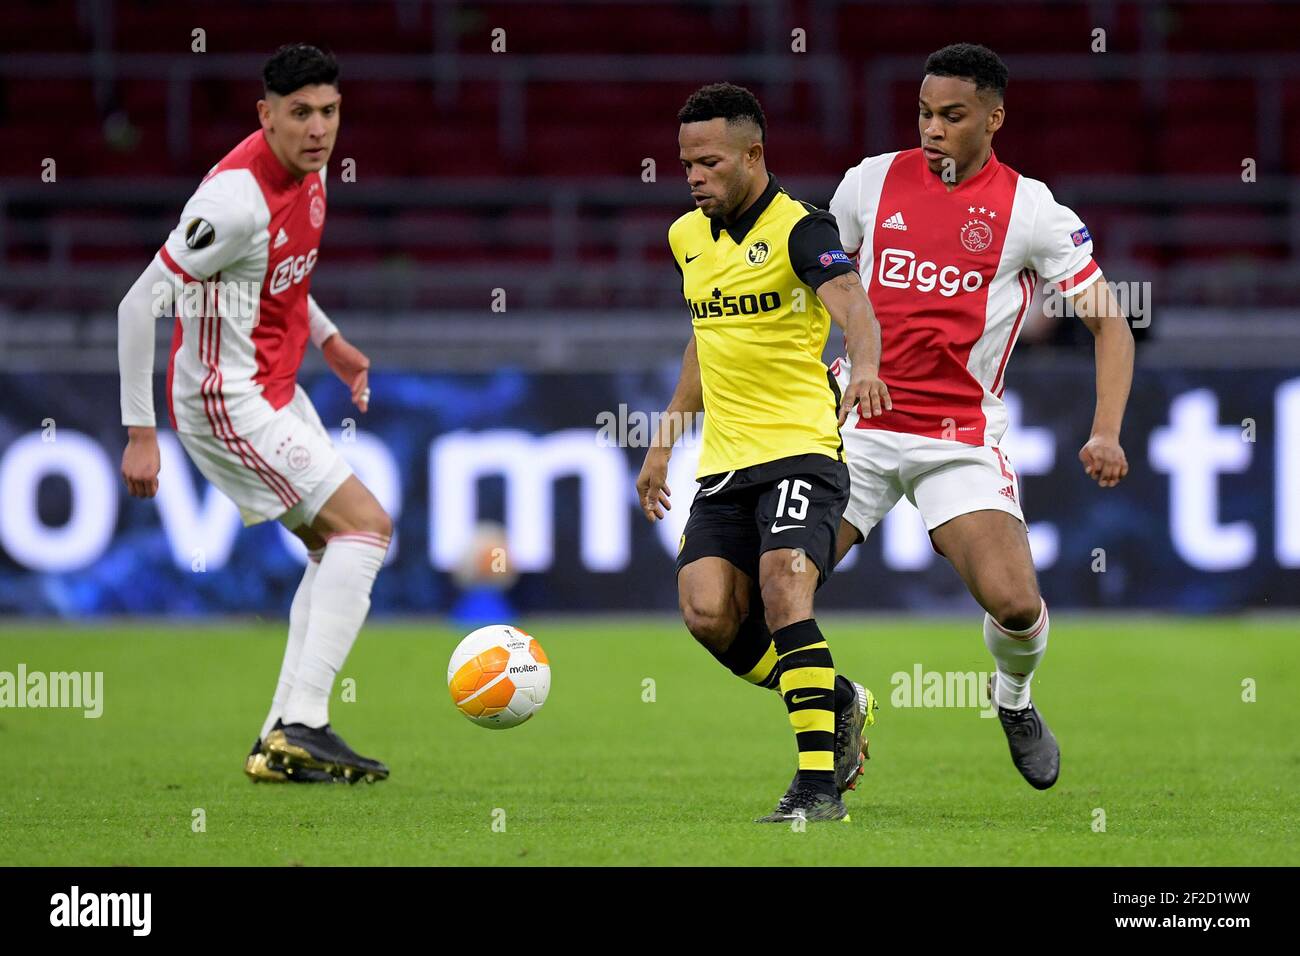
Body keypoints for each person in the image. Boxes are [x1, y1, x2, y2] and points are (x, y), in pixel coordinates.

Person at [827, 43, 1135, 789]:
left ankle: (1015, 699)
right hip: (856, 431)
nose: (933, 129)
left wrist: (1105, 430)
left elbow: (1111, 323)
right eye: (925, 113)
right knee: (774, 591)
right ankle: (837, 709)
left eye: (952, 116)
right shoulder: (868, 184)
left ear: (994, 118)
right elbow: (813, 289)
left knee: (1017, 604)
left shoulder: (1031, 211)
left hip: (958, 439)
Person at [117, 44, 392, 784]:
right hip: (224, 397)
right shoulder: (232, 202)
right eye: (300, 113)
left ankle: (279, 739)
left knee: (333, 548)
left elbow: (283, 273)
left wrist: (329, 340)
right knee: (367, 527)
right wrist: (140, 433)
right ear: (264, 115)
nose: (318, 129)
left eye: (329, 111)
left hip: (274, 385)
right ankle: (303, 720)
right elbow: (139, 302)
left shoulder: (311, 167)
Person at [637, 83, 892, 823]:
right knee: (708, 612)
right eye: (686, 163)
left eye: (709, 162)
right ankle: (836, 698)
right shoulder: (686, 237)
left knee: (784, 589)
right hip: (724, 463)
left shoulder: (802, 230)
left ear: (753, 154)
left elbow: (854, 305)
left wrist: (866, 367)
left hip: (802, 452)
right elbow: (703, 341)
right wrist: (663, 444)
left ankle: (817, 788)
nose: (693, 176)